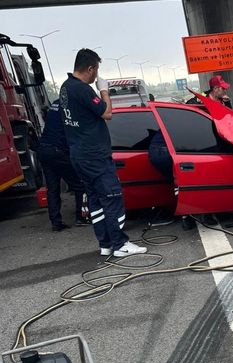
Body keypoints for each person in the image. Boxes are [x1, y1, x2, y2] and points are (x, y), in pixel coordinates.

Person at [59, 48, 146, 257]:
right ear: (90, 68)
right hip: (94, 155)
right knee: (112, 197)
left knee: (96, 200)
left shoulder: (65, 87)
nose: (96, 75)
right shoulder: (81, 89)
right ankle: (120, 244)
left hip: (79, 154)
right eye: (96, 70)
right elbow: (107, 113)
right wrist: (104, 91)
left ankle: (106, 244)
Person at [37, 99, 90, 231]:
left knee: (53, 189)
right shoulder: (73, 105)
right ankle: (81, 217)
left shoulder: (56, 102)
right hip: (58, 151)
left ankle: (56, 223)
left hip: (44, 149)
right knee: (80, 185)